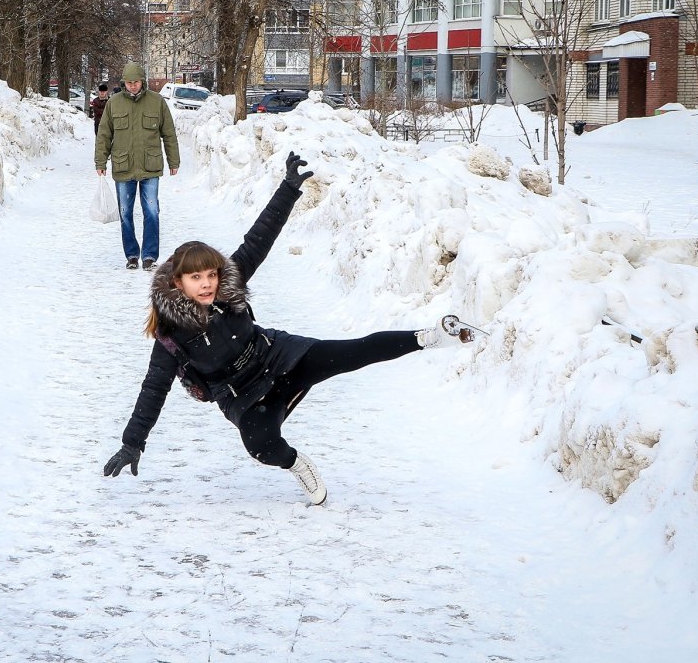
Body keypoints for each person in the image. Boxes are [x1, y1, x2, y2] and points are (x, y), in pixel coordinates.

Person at [102, 152, 474, 505]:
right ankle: (297, 465)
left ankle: (428, 338)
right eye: (196, 277)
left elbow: (258, 239)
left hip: (278, 357)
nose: (207, 284)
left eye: (211, 274)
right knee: (262, 448)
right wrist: (133, 443)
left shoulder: (228, 286)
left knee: (351, 352)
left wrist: (288, 189)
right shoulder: (171, 333)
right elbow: (153, 389)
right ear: (178, 282)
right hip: (243, 396)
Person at [95, 62, 180, 271]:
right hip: (123, 167)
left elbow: (168, 133)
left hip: (150, 166)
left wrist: (173, 160)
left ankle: (149, 256)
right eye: (129, 82)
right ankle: (132, 255)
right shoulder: (114, 103)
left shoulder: (157, 102)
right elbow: (104, 134)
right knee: (125, 213)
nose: (132, 86)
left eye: (136, 82)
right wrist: (100, 161)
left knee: (152, 211)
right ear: (124, 83)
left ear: (143, 81)